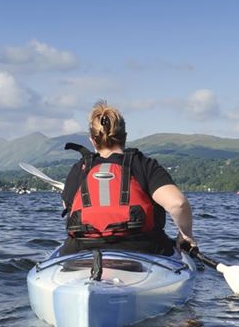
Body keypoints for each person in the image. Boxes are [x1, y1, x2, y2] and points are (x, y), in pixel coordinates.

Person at [58, 101, 196, 257]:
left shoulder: (79, 169)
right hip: (144, 250)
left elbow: (68, 206)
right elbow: (178, 204)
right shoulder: (143, 165)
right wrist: (186, 235)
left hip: (80, 252)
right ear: (124, 136)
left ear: (92, 140)